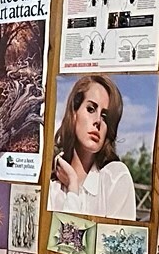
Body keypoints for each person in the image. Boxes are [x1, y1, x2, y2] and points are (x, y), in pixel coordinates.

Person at [49, 74, 138, 219]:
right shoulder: (52, 188)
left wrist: (73, 185)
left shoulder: (115, 178)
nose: (98, 121)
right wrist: (72, 186)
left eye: (105, 116)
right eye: (91, 109)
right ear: (74, 114)